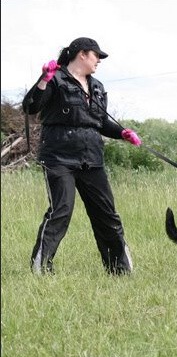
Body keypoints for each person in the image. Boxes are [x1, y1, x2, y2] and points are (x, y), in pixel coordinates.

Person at [22, 37, 142, 275]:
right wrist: (43, 80)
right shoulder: (54, 79)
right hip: (59, 157)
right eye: (97, 56)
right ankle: (41, 268)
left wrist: (122, 132)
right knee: (61, 211)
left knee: (107, 214)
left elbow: (98, 122)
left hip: (91, 157)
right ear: (83, 54)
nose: (99, 61)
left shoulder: (96, 85)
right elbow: (30, 107)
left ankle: (119, 269)